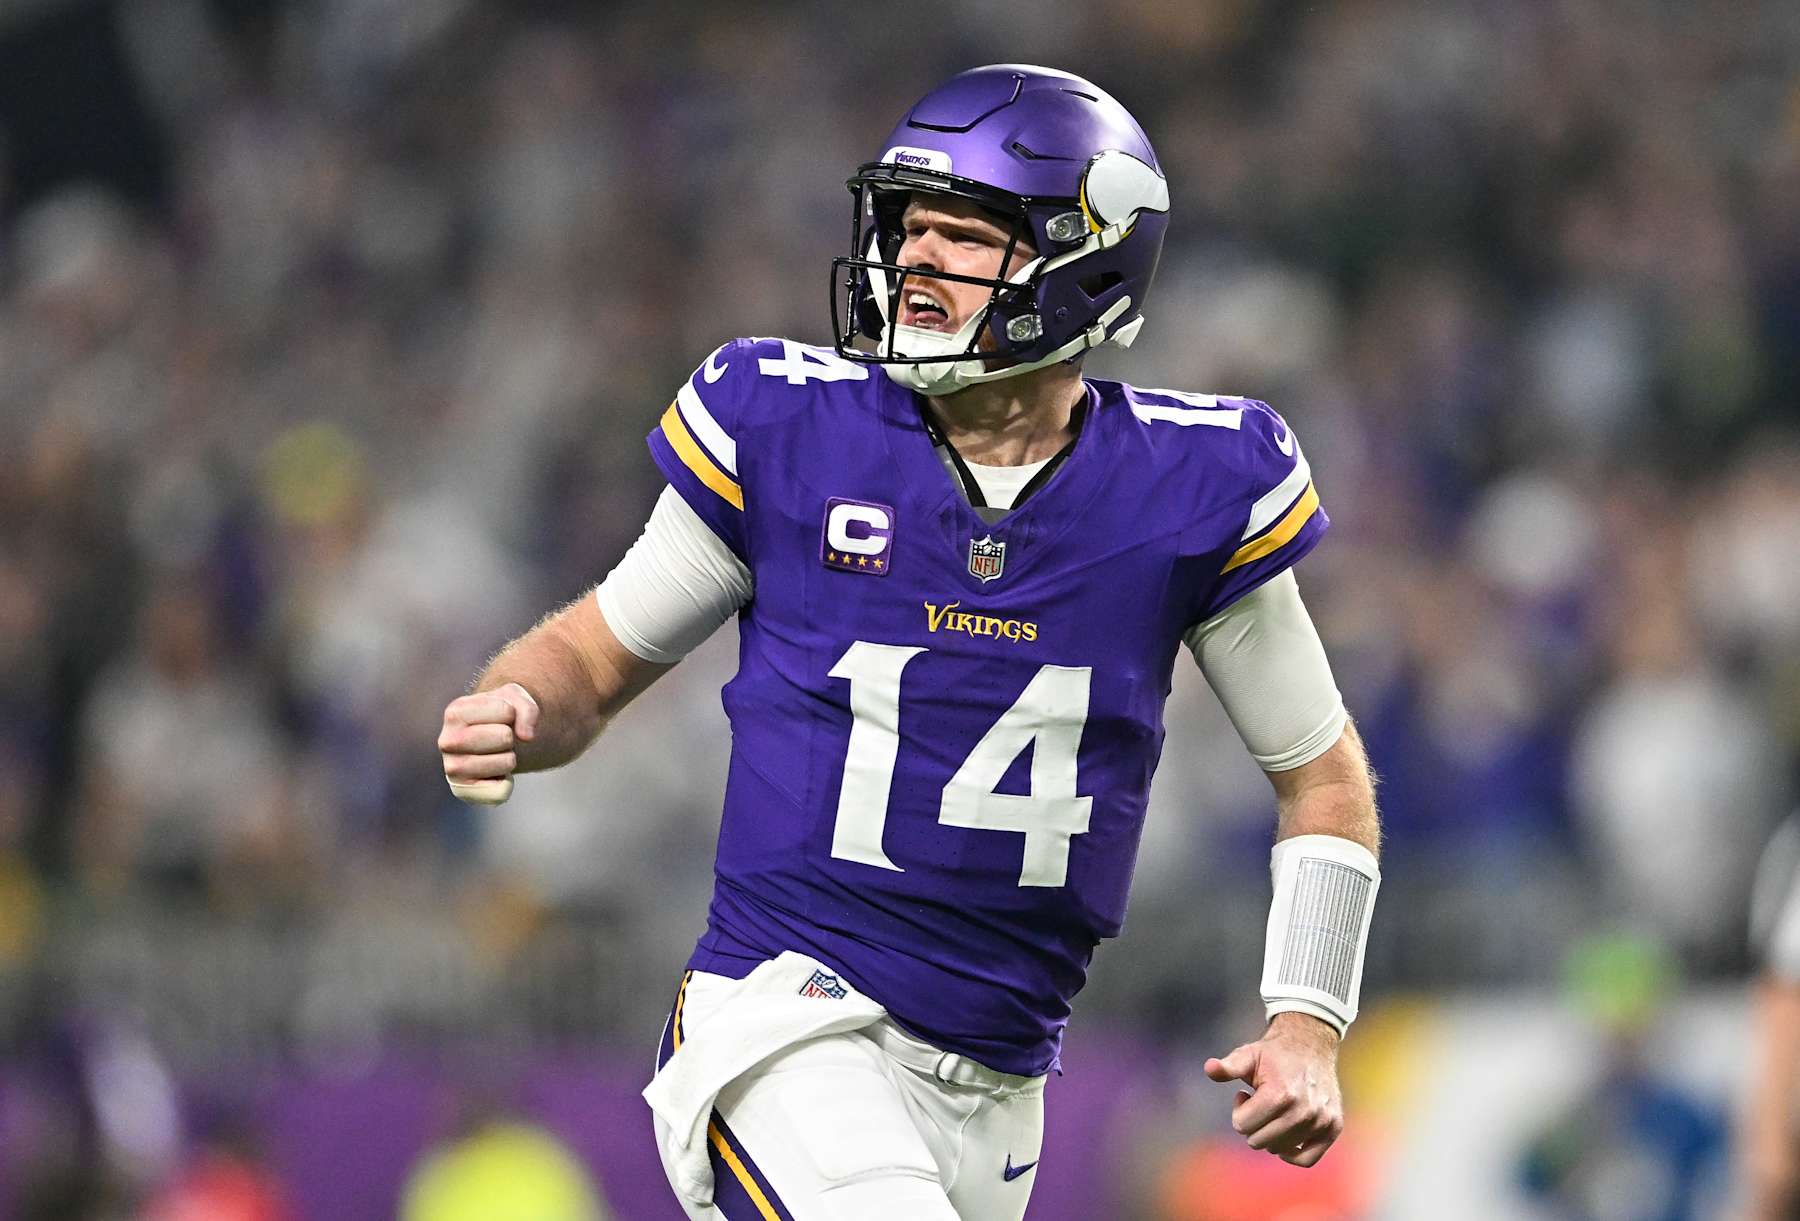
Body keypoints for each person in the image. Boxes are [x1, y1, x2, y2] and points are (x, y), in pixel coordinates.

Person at [438, 64, 1381, 1221]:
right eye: (908, 226)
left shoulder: (1192, 488)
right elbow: (589, 659)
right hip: (786, 1017)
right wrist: (518, 704)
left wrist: (1306, 1021)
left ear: (1087, 258)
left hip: (1000, 1080)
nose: (916, 260)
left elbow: (1323, 780)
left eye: (966, 234)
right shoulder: (788, 429)